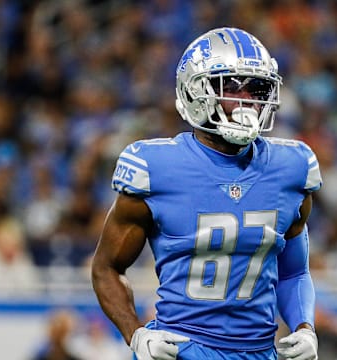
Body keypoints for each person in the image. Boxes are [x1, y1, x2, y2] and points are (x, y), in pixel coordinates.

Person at [91, 27, 321, 360]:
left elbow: (295, 271)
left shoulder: (292, 168)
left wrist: (304, 327)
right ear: (195, 91)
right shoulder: (156, 167)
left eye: (257, 89)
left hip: (260, 352)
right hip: (181, 349)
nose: (248, 101)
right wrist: (135, 334)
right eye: (231, 87)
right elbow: (106, 268)